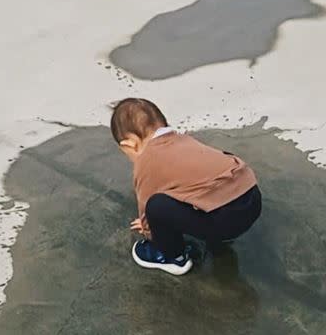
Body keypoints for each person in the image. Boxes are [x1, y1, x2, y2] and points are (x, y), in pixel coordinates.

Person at [110, 98, 261, 276]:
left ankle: (174, 258)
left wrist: (149, 227)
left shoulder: (146, 162)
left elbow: (146, 205)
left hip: (226, 221)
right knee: (198, 180)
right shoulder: (184, 140)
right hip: (252, 197)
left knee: (156, 206)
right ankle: (222, 230)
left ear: (130, 145)